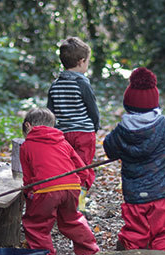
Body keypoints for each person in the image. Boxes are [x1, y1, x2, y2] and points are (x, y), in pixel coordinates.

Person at [103, 67, 165, 252]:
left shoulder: (120, 133)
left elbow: (109, 148)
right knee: (163, 231)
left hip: (134, 196)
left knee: (134, 231)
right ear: (155, 104)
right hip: (161, 194)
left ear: (128, 105)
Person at [19, 108, 100, 255]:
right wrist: (76, 185)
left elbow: (28, 178)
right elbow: (83, 170)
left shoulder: (26, 146)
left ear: (28, 126)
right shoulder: (64, 142)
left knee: (36, 224)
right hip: (71, 188)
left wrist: (29, 194)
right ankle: (90, 252)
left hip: (46, 189)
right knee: (71, 220)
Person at [47, 37, 100, 213]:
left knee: (68, 167)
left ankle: (69, 199)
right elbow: (92, 108)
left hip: (63, 135)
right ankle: (79, 204)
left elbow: (50, 114)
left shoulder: (55, 85)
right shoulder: (82, 83)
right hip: (84, 133)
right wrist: (95, 126)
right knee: (84, 167)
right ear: (81, 61)